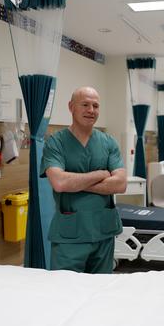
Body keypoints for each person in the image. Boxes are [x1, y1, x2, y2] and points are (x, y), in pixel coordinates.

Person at [40, 86, 126, 273]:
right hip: (70, 235)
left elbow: (120, 184)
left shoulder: (108, 142)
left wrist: (77, 183)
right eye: (85, 104)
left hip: (103, 231)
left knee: (101, 291)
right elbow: (60, 183)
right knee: (66, 293)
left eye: (95, 106)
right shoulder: (56, 143)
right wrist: (100, 174)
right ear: (71, 107)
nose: (91, 110)